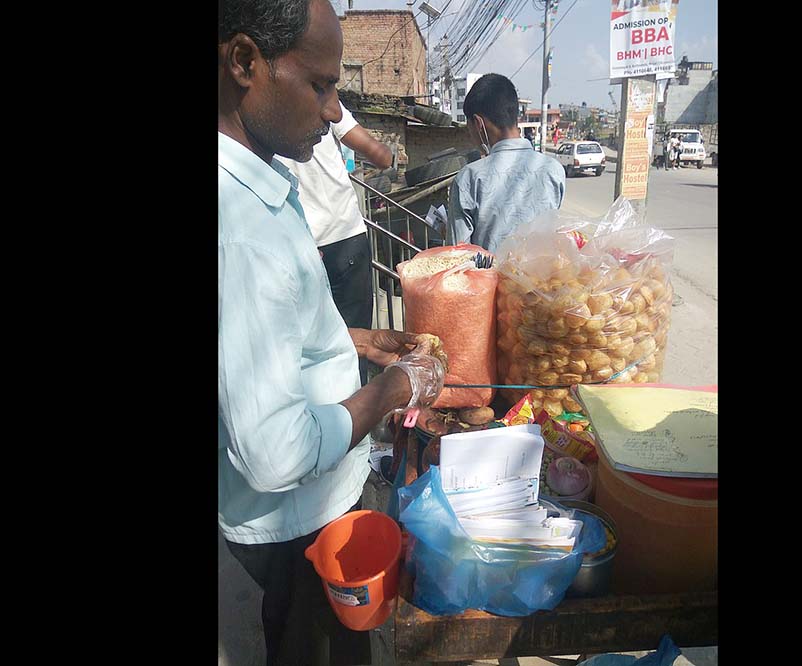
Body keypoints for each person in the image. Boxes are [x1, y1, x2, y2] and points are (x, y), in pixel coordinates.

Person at [218, 2, 446, 664]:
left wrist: (357, 343)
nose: (330, 111)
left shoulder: (263, 178)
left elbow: (268, 331)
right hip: (291, 522)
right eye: (319, 85)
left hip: (313, 502)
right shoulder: (240, 231)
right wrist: (393, 390)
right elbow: (274, 452)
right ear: (245, 63)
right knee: (310, 645)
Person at [275, 102, 394, 386]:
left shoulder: (263, 109)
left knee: (312, 349)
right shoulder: (327, 102)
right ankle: (356, 422)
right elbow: (381, 157)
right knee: (358, 347)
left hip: (302, 244)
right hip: (345, 236)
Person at [449, 73, 566, 253]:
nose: (470, 134)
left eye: (469, 127)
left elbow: (459, 256)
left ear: (478, 123)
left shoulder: (469, 178)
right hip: (543, 281)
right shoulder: (553, 170)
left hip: (488, 281)